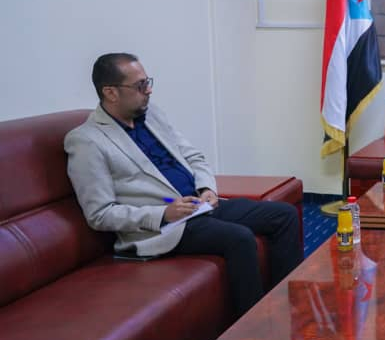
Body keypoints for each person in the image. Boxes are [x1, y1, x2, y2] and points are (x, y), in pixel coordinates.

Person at [64, 53, 304, 316]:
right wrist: (164, 213)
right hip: (166, 227)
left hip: (199, 205)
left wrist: (207, 188)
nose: (149, 90)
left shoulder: (152, 114)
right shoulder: (87, 140)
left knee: (284, 215)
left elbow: (193, 157)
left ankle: (287, 311)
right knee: (239, 238)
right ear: (110, 92)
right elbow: (100, 214)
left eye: (148, 82)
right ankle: (252, 328)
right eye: (140, 85)